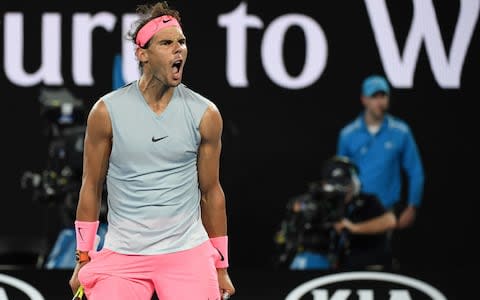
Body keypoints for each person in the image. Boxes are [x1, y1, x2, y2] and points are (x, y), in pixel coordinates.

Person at [68, 2, 235, 299]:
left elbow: (212, 192)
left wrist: (220, 265)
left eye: (182, 42)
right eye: (167, 43)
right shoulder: (106, 111)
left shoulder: (205, 114)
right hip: (122, 255)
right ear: (142, 54)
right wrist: (83, 257)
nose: (178, 50)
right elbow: (91, 186)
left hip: (188, 254)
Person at [273, 156, 397, 271]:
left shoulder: (367, 201)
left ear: (354, 183)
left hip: (368, 266)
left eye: (345, 184)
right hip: (332, 266)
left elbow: (390, 221)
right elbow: (289, 232)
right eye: (334, 185)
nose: (341, 190)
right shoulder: (318, 203)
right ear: (325, 184)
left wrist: (353, 228)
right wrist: (300, 213)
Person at [336, 74, 425, 230]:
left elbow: (415, 171)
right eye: (374, 96)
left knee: (383, 253)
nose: (379, 102)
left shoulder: (401, 132)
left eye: (383, 96)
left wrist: (412, 206)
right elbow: (340, 175)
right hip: (356, 211)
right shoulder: (348, 134)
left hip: (387, 211)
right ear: (364, 100)